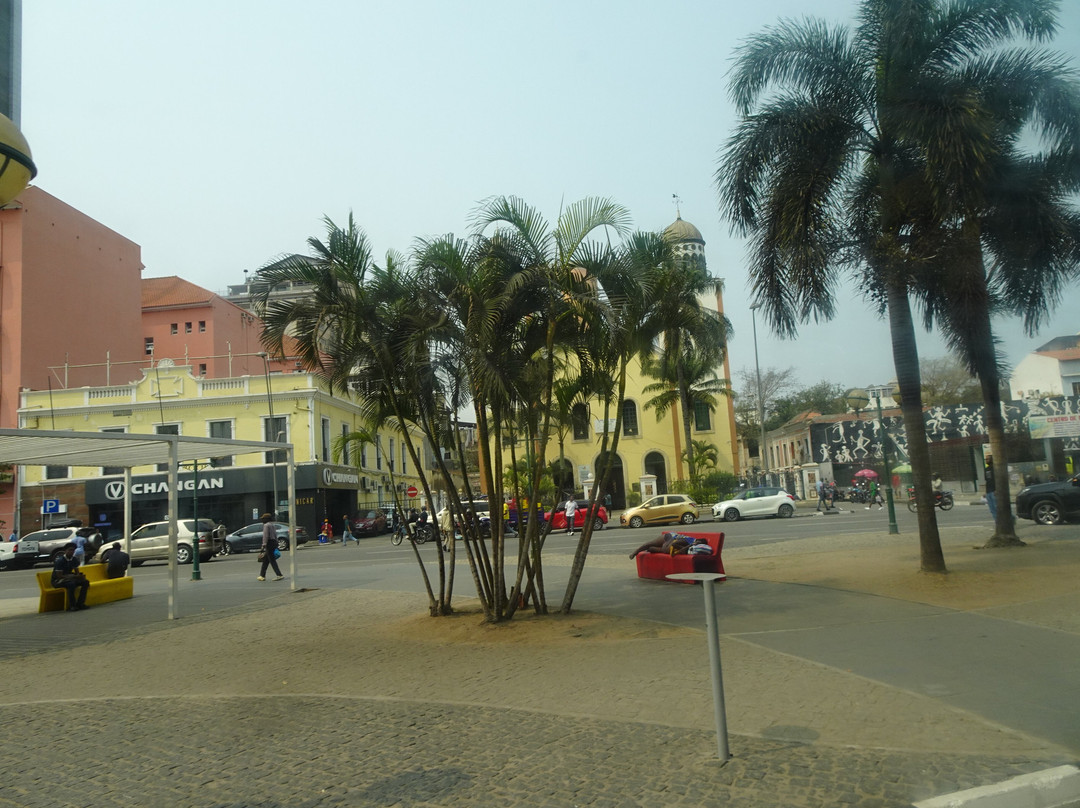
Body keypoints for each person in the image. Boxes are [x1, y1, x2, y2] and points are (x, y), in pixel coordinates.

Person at [52, 543, 89, 611]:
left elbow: (76, 571)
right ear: (65, 551)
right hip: (58, 581)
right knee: (71, 584)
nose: (71, 552)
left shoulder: (73, 559)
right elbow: (59, 576)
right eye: (70, 550)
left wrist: (79, 576)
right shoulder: (60, 561)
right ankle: (72, 605)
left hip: (69, 579)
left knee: (85, 582)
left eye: (73, 550)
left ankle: (80, 603)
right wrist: (72, 577)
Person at [629, 531, 696, 559]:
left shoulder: (693, 545)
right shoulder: (691, 541)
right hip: (671, 536)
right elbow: (675, 544)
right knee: (652, 543)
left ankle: (651, 549)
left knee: (662, 549)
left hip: (671, 541)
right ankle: (635, 552)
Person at [258, 513, 284, 581]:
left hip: (269, 543)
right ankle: (262, 575)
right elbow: (275, 534)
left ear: (266, 519)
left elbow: (266, 536)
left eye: (263, 519)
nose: (262, 520)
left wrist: (263, 545)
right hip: (273, 542)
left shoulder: (266, 525)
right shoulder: (272, 525)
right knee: (266, 560)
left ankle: (279, 574)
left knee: (272, 560)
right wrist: (276, 542)